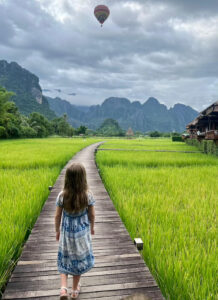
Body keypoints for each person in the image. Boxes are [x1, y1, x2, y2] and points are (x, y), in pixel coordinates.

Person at [55, 163, 95, 299]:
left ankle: (63, 289)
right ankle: (74, 291)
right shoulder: (87, 196)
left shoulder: (62, 196)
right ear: (83, 179)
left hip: (66, 233)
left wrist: (57, 230)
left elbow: (57, 215)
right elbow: (92, 215)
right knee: (78, 259)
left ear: (67, 179)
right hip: (81, 234)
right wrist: (93, 227)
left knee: (64, 258)